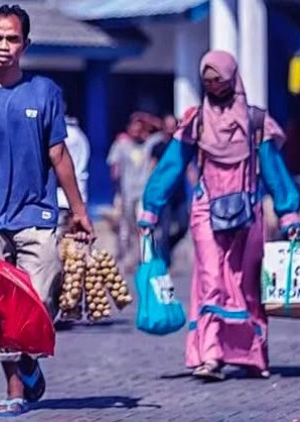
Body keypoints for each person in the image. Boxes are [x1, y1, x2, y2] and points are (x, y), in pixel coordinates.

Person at [0, 4, 94, 417]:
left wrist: (80, 210)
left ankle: (29, 359)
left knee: (39, 297)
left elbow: (59, 153)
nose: (4, 46)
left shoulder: (45, 92)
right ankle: (15, 389)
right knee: (0, 308)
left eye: (12, 38)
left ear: (25, 44)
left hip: (38, 217)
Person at [140, 50, 300, 381]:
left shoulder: (256, 122)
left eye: (220, 80)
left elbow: (273, 170)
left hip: (248, 215)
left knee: (245, 284)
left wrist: (289, 216)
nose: (213, 86)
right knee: (211, 279)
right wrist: (151, 209)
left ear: (232, 78)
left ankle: (250, 356)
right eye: (207, 81)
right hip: (206, 211)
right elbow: (172, 165)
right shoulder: (196, 121)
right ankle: (210, 355)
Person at [108, 115, 154, 271]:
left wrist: (146, 118)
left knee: (142, 225)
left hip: (142, 193)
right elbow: (114, 167)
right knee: (126, 228)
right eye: (134, 128)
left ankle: (145, 258)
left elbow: (164, 130)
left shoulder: (148, 144)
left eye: (139, 129)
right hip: (126, 192)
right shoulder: (121, 145)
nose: (136, 132)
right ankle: (128, 258)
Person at [148, 114, 191, 266]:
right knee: (164, 230)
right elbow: (152, 168)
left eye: (174, 126)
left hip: (179, 194)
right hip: (163, 194)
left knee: (184, 226)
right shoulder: (157, 147)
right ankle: (165, 263)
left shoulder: (182, 145)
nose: (171, 129)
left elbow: (189, 166)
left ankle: (166, 249)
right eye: (169, 126)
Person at [57, 103, 90, 228]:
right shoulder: (79, 134)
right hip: (73, 200)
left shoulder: (66, 135)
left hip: (62, 201)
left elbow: (61, 167)